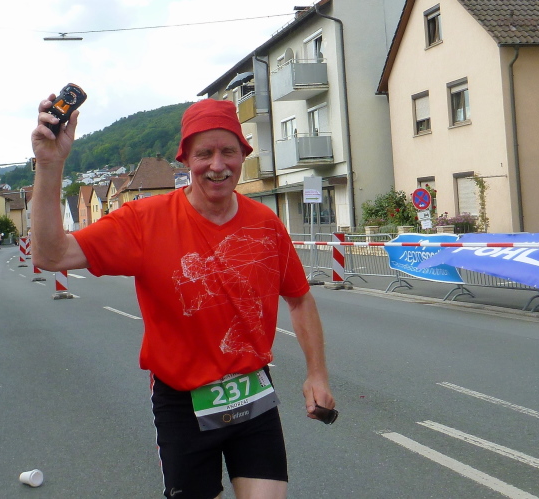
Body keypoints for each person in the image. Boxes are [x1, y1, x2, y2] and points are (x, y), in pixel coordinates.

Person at [30, 97, 335, 499]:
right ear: (186, 160)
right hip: (181, 402)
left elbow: (299, 299)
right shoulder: (143, 221)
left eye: (228, 151)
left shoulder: (266, 224)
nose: (217, 165)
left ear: (243, 155)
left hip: (252, 392)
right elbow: (50, 255)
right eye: (204, 153)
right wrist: (50, 164)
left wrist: (317, 374)